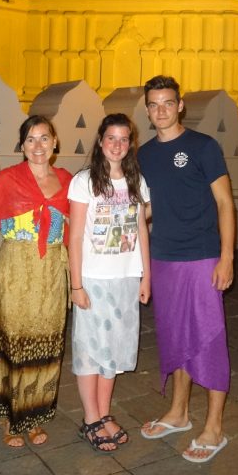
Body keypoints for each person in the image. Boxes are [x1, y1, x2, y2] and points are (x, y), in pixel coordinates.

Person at [137, 75, 236, 464]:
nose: (160, 110)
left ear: (180, 106)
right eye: (153, 104)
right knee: (175, 337)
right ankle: (178, 413)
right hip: (163, 258)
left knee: (209, 339)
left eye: (167, 103)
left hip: (200, 256)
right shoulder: (144, 155)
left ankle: (214, 426)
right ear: (147, 110)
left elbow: (226, 203)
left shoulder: (203, 147)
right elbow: (148, 208)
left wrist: (226, 257)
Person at [0, 115, 72, 447]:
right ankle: (10, 419)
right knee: (13, 343)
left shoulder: (66, 180)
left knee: (47, 342)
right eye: (31, 140)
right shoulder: (8, 179)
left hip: (51, 272)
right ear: (22, 146)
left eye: (44, 138)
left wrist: (75, 277)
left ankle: (35, 415)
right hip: (16, 270)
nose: (38, 146)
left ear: (55, 142)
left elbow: (74, 230)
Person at [68, 113, 151, 452]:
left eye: (124, 138)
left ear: (130, 144)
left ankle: (104, 414)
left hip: (125, 278)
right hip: (94, 278)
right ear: (100, 141)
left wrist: (146, 275)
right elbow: (74, 238)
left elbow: (142, 229)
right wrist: (76, 285)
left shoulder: (137, 182)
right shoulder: (84, 181)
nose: (117, 145)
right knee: (90, 350)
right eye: (111, 138)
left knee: (113, 350)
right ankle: (90, 419)